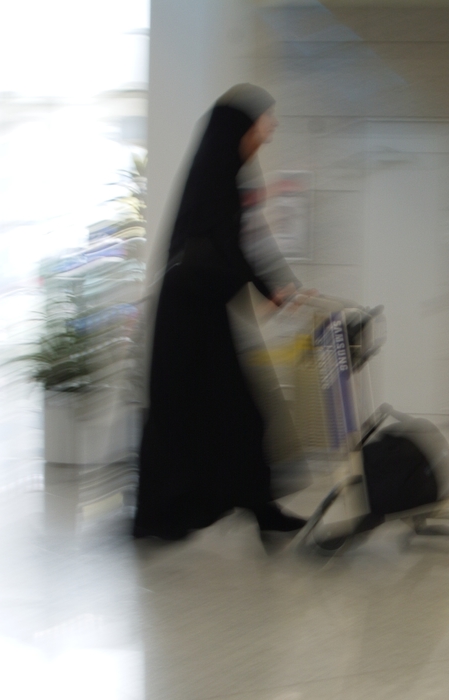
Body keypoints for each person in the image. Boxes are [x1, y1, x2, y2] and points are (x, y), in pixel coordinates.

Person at [133, 84, 307, 541]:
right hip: (188, 316)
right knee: (207, 411)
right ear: (238, 130)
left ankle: (253, 506)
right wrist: (271, 290)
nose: (265, 136)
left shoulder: (225, 178)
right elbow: (230, 249)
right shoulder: (219, 183)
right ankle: (175, 512)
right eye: (260, 126)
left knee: (228, 412)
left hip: (200, 312)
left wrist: (275, 287)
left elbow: (245, 244)